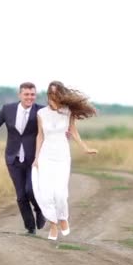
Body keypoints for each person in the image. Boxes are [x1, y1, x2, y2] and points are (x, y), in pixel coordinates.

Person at [31, 81, 98, 240]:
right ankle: (53, 225)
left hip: (62, 155)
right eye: (51, 94)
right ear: (48, 95)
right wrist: (36, 158)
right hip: (46, 156)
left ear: (61, 95)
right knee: (47, 194)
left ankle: (63, 218)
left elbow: (73, 131)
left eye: (56, 94)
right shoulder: (41, 113)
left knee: (60, 194)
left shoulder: (68, 112)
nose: (53, 97)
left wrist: (84, 147)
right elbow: (40, 135)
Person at [0, 82, 46, 235]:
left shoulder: (42, 111)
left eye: (33, 94)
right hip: (13, 158)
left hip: (34, 158)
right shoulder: (7, 109)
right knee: (21, 195)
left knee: (31, 190)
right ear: (20, 95)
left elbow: (53, 127)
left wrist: (65, 133)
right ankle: (30, 227)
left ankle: (39, 210)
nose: (30, 97)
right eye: (27, 94)